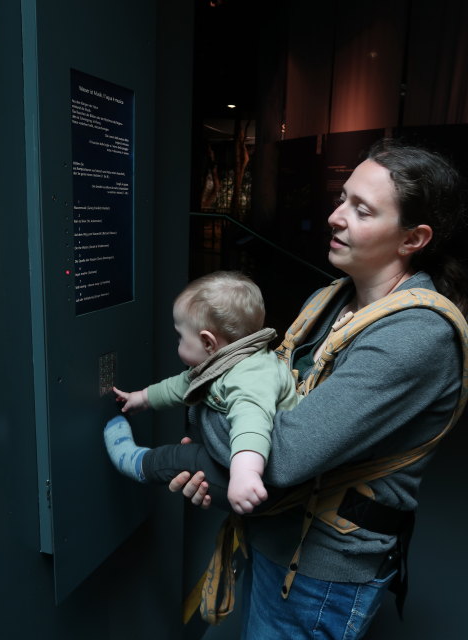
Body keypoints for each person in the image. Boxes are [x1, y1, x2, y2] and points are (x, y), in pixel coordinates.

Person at [168, 138, 468, 639]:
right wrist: (224, 457)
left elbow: (281, 454)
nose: (335, 216)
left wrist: (201, 416)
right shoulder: (329, 299)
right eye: (342, 199)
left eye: (362, 210)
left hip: (318, 574)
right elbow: (261, 401)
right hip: (275, 538)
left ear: (413, 239)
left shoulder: (416, 335)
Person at [104, 270, 300, 514]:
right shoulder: (227, 358)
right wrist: (141, 399)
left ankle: (135, 462)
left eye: (180, 337)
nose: (177, 342)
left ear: (208, 343)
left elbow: (252, 424)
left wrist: (245, 474)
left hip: (262, 484)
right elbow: (183, 384)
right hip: (236, 462)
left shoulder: (251, 377)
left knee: (180, 459)